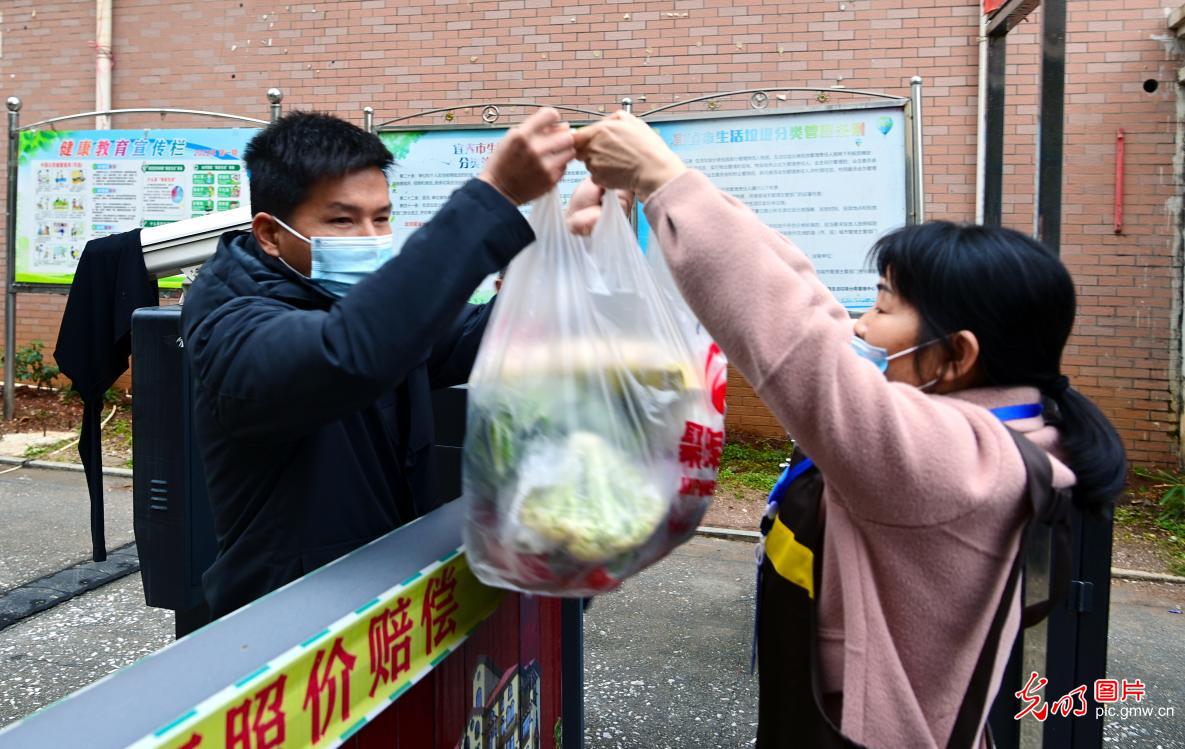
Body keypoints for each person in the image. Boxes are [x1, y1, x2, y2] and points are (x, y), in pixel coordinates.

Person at [569, 112, 1125, 748]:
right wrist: (666, 189)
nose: (860, 325)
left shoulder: (943, 460)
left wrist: (662, 177)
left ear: (957, 355)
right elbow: (812, 309)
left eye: (884, 305)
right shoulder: (999, 427)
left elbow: (796, 337)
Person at [181, 109, 574, 619]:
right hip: (290, 626)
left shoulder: (364, 307)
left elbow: (478, 339)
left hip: (383, 601)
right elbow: (346, 354)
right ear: (270, 234)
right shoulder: (232, 325)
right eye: (343, 219)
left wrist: (561, 257)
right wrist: (493, 197)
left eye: (382, 217)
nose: (370, 237)